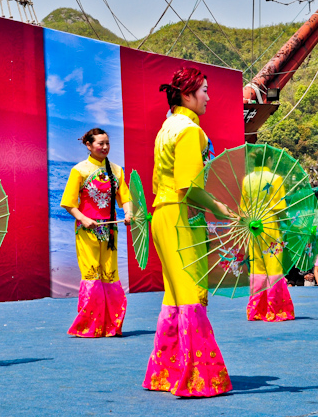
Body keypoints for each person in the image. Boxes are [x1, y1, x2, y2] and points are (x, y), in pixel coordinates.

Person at [143, 67, 232, 397]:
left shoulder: (167, 127)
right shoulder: (190, 130)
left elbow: (165, 182)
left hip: (164, 214)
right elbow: (189, 187)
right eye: (204, 90)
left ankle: (166, 372)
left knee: (174, 296)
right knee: (191, 295)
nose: (208, 97)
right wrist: (220, 208)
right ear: (187, 94)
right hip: (182, 214)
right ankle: (197, 376)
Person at [60, 128, 132, 337]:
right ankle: (89, 326)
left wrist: (128, 213)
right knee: (91, 274)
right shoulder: (79, 170)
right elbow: (68, 203)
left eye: (107, 143)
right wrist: (83, 218)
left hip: (110, 229)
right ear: (89, 145)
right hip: (87, 229)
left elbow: (125, 197)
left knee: (110, 274)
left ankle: (111, 326)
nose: (105, 147)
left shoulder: (116, 170)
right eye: (100, 143)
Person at [243, 149, 294, 322]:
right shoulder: (275, 179)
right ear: (270, 159)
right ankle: (274, 309)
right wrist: (290, 222)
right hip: (270, 225)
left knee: (257, 267)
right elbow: (279, 208)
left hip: (253, 226)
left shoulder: (247, 180)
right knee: (273, 267)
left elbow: (243, 207)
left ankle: (257, 310)